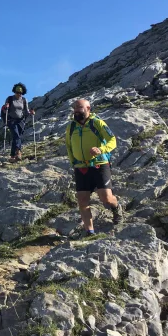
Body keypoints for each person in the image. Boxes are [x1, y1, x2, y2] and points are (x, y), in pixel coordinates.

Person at [65, 99, 123, 236]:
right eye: (75, 108)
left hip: (99, 165)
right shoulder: (71, 127)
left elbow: (112, 140)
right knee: (82, 200)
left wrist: (101, 149)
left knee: (106, 198)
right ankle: (89, 231)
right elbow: (68, 145)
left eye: (80, 107)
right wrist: (73, 161)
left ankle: (116, 208)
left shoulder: (96, 123)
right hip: (81, 167)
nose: (76, 110)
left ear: (88, 108)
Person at [2, 83, 35, 162]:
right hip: (11, 120)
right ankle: (18, 152)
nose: (19, 94)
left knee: (16, 137)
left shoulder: (24, 100)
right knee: (16, 135)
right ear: (14, 91)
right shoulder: (10, 99)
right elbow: (4, 110)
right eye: (17, 92)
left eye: (20, 92)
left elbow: (26, 111)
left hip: (21, 121)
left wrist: (31, 113)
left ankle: (12, 156)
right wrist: (5, 108)